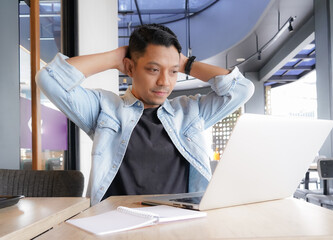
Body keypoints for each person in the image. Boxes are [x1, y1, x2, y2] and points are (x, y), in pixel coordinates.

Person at [36, 23, 254, 206]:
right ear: (130, 68)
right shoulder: (105, 109)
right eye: (153, 69)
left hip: (178, 221)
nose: (164, 82)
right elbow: (49, 79)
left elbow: (242, 89)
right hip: (115, 223)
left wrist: (186, 64)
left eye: (173, 71)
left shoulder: (190, 112)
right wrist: (116, 57)